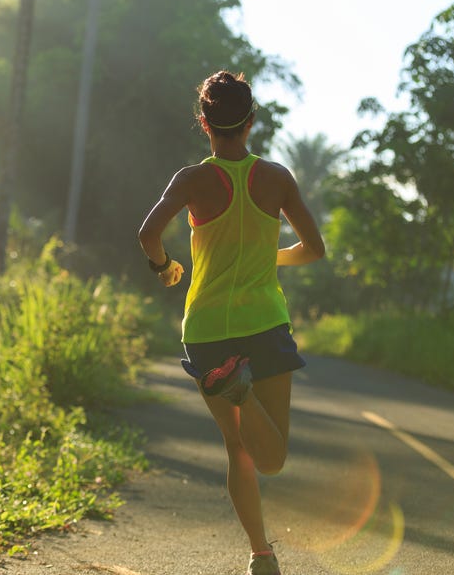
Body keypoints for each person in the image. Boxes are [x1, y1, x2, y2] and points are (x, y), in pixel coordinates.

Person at [138, 70, 325, 575]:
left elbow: (149, 232)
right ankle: (239, 391)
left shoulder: (192, 179)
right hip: (265, 325)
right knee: (272, 458)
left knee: (237, 448)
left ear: (205, 123)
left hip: (207, 333)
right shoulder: (277, 178)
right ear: (251, 120)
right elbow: (315, 249)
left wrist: (165, 267)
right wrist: (272, 256)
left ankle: (261, 553)